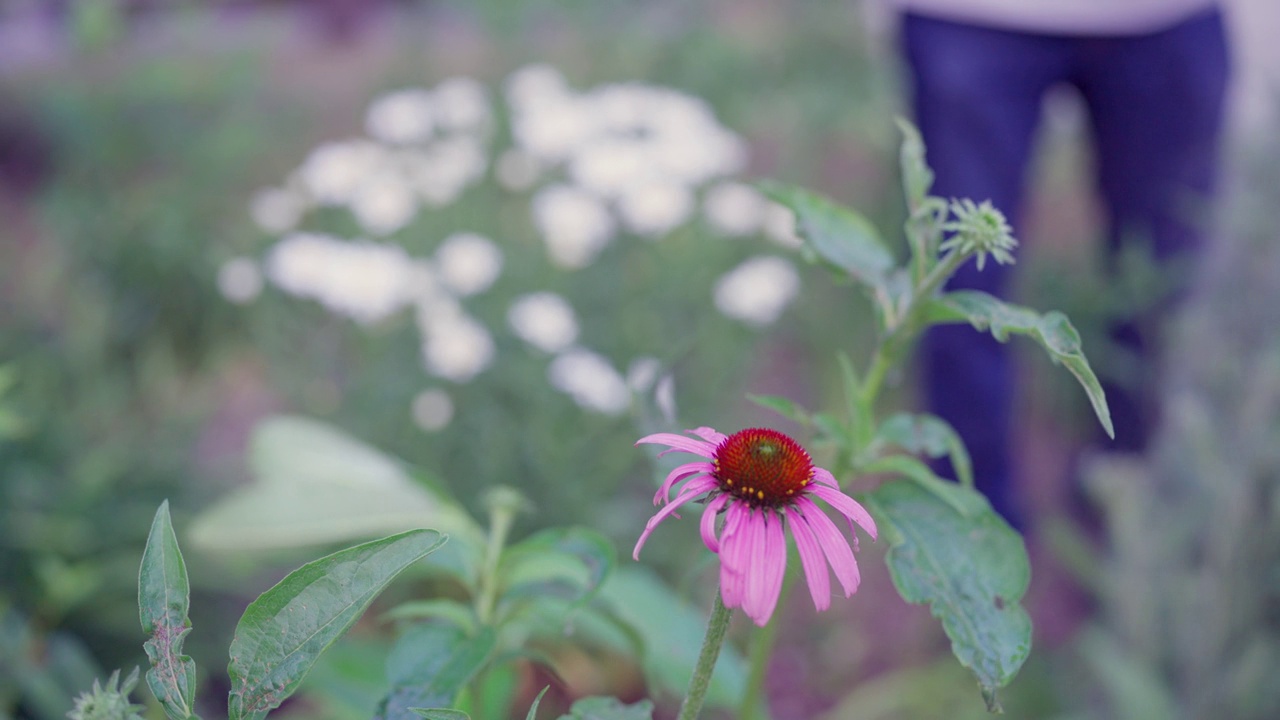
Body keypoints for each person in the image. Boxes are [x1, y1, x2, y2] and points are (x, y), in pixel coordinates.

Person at [891, 0, 1231, 526]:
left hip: (1169, 20)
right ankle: (965, 547)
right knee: (956, 290)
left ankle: (1132, 532)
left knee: (1163, 293)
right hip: (969, 16)